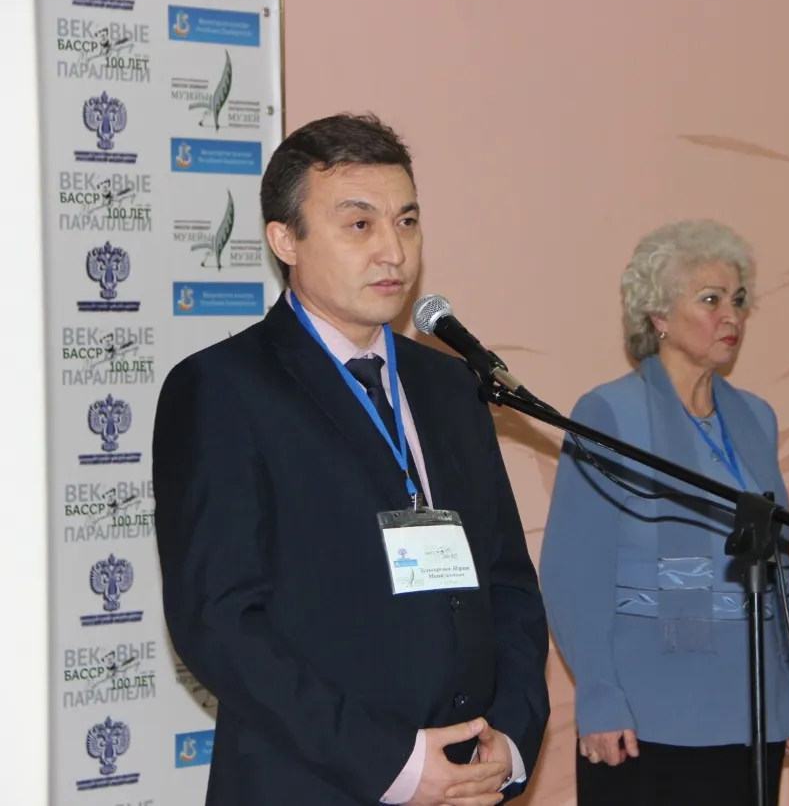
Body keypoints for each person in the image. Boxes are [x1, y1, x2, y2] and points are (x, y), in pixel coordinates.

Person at [153, 113, 549, 806]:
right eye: (360, 224)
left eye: (407, 222)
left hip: (469, 780)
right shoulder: (223, 389)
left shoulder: (451, 385)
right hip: (313, 783)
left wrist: (508, 738)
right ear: (286, 240)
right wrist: (394, 764)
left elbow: (509, 584)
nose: (393, 251)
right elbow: (218, 622)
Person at [538, 220, 789, 806]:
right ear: (658, 315)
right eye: (711, 300)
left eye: (738, 299)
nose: (731, 316)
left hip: (753, 712)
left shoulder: (756, 417)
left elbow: (776, 566)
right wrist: (600, 697)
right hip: (645, 717)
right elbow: (572, 573)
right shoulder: (608, 413)